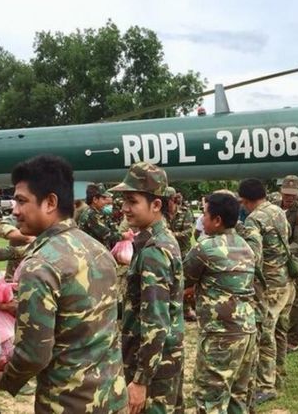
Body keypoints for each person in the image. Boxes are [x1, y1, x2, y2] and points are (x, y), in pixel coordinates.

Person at [0, 155, 127, 413]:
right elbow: (83, 316)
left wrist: (6, 380)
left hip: (68, 402)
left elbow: (34, 353)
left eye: (21, 200)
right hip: (111, 394)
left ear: (50, 202)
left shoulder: (40, 265)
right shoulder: (97, 249)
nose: (14, 210)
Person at [111, 162, 184, 414]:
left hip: (153, 368)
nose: (124, 208)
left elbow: (155, 320)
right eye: (123, 201)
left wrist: (141, 380)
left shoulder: (154, 251)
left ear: (156, 205)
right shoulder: (155, 241)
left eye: (132, 201)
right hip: (161, 360)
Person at [184, 192, 257, 413]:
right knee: (238, 397)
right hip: (247, 332)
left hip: (220, 336)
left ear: (217, 220)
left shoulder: (205, 249)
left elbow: (181, 281)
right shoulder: (245, 246)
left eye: (204, 214)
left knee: (211, 400)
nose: (202, 219)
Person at [238, 178, 293, 404]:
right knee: (280, 330)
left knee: (264, 334)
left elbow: (254, 257)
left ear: (246, 200)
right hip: (285, 280)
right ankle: (279, 373)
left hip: (268, 286)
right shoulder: (278, 211)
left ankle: (266, 384)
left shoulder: (254, 219)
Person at [278, 175, 298, 357]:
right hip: (280, 258)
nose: (289, 198)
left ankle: (294, 340)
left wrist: (279, 250)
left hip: (297, 260)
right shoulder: (275, 207)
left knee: (297, 300)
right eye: (286, 194)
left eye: (293, 195)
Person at [79, 183, 131, 248]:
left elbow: (111, 226)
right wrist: (123, 236)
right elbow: (106, 235)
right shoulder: (90, 215)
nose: (106, 202)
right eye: (103, 199)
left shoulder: (99, 212)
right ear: (95, 200)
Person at [0, 214, 36, 282]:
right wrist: (27, 238)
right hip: (14, 277)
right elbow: (0, 227)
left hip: (40, 278)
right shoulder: (24, 213)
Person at [168, 188, 195, 258]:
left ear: (173, 200)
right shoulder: (162, 213)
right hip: (167, 251)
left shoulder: (185, 212)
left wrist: (171, 235)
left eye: (167, 200)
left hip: (182, 252)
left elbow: (188, 233)